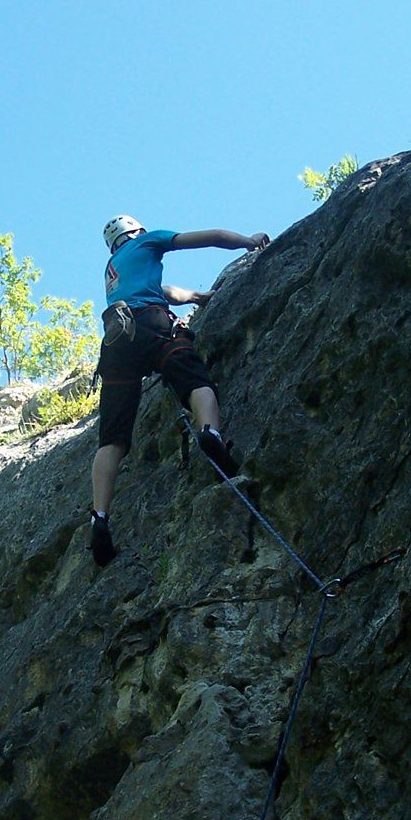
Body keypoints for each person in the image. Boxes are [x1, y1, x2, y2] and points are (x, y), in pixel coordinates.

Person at [90, 215, 270, 566]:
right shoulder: (147, 242)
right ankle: (210, 432)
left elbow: (165, 292)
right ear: (136, 232)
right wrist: (249, 241)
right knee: (194, 380)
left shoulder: (113, 269)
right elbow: (213, 234)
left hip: (116, 340)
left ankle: (99, 517)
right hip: (152, 325)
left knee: (112, 441)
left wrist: (196, 297)